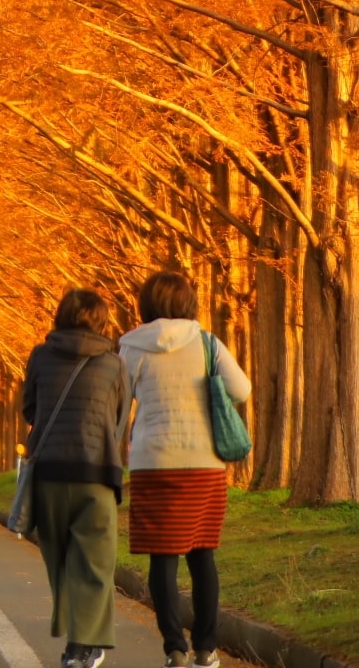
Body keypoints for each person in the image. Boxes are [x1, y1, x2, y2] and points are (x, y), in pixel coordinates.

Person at [119, 271, 252, 668]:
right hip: (203, 463)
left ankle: (174, 647)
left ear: (147, 304)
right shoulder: (207, 342)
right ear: (187, 302)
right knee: (202, 555)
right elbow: (242, 389)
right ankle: (206, 649)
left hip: (153, 462)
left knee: (163, 557)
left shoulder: (130, 347)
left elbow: (120, 407)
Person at [23, 288, 130, 668]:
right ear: (101, 322)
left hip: (49, 473)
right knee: (96, 563)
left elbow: (29, 408)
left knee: (61, 561)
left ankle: (74, 645)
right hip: (96, 473)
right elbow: (119, 418)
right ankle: (86, 646)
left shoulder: (39, 356)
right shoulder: (114, 364)